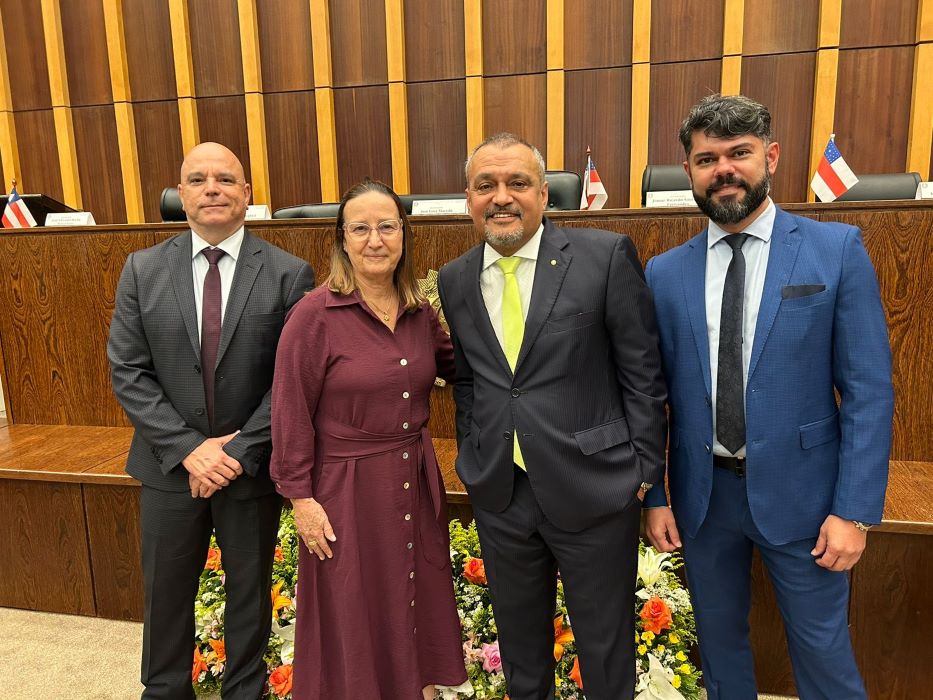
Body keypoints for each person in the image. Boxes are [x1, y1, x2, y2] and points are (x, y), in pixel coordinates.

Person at [643, 94, 894, 699]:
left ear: (770, 157)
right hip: (703, 502)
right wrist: (655, 495)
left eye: (740, 153)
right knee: (720, 652)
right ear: (690, 171)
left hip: (808, 502)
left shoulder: (835, 251)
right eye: (707, 158)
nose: (724, 169)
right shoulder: (663, 273)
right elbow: (650, 397)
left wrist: (853, 510)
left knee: (824, 656)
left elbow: (868, 390)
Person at [438, 133, 668, 699]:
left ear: (544, 193)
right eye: (485, 185)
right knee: (521, 653)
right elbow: (469, 381)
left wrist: (641, 472)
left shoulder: (605, 256)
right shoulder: (455, 279)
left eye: (517, 182)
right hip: (502, 493)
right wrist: (474, 453)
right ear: (467, 198)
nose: (501, 197)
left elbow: (642, 374)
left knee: (605, 650)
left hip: (595, 488)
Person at [108, 142, 314, 699]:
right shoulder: (142, 269)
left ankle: (244, 692)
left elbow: (292, 381)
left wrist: (236, 451)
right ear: (181, 195)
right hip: (168, 468)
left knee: (249, 594)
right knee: (166, 593)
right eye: (197, 180)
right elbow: (128, 369)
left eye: (225, 179)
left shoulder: (289, 274)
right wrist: (189, 449)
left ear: (247, 194)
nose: (212, 189)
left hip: (248, 468)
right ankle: (164, 690)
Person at [269, 178, 467, 699]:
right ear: (341, 238)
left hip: (411, 480)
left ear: (404, 234)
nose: (374, 239)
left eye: (386, 226)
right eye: (360, 228)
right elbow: (289, 412)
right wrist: (300, 500)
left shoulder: (421, 312)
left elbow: (462, 368)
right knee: (352, 612)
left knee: (411, 598)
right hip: (343, 492)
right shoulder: (314, 315)